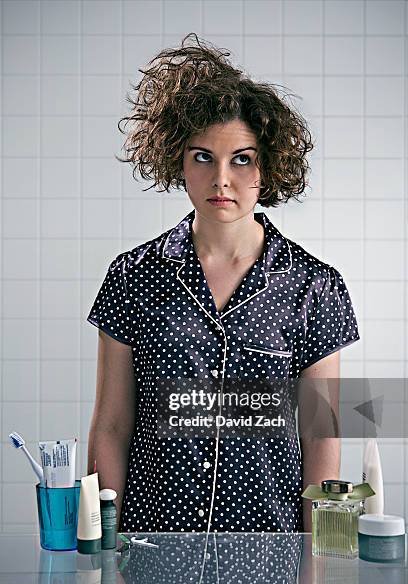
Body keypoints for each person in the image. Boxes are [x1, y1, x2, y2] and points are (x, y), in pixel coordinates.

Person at [86, 33, 360, 534]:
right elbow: (111, 425)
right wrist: (106, 549)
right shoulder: (130, 277)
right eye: (203, 157)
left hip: (269, 551)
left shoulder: (315, 286)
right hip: (154, 545)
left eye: (242, 159)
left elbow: (322, 435)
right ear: (177, 160)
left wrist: (322, 565)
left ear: (268, 165)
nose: (221, 180)